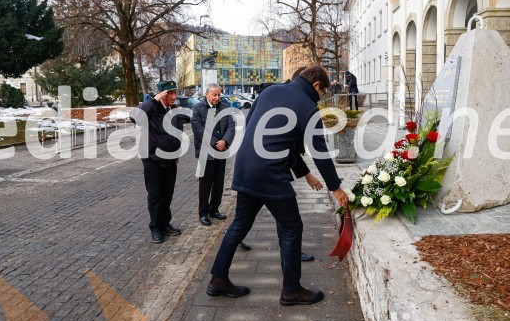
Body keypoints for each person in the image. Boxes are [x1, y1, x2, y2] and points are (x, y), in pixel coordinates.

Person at [207, 64, 349, 306]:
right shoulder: (308, 108)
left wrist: (304, 173)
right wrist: (335, 187)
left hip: (245, 166)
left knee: (240, 224)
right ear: (316, 85)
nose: (321, 96)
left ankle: (217, 280)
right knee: (292, 227)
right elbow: (320, 152)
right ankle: (291, 290)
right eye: (322, 91)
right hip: (269, 173)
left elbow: (254, 128)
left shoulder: (270, 91)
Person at [133, 80, 184, 244]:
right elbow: (135, 117)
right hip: (152, 160)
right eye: (169, 93)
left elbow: (178, 133)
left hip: (170, 159)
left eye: (175, 93)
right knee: (155, 195)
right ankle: (155, 227)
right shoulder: (151, 109)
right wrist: (154, 100)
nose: (173, 96)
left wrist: (177, 152)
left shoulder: (175, 110)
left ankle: (165, 224)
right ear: (161, 94)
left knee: (167, 194)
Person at [191, 84, 235, 226]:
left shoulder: (225, 107)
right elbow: (198, 129)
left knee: (219, 183)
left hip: (221, 151)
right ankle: (203, 213)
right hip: (206, 152)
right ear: (207, 94)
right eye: (214, 95)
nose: (217, 98)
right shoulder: (197, 108)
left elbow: (231, 127)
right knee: (205, 184)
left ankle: (214, 209)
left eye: (219, 95)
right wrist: (215, 142)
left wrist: (225, 141)